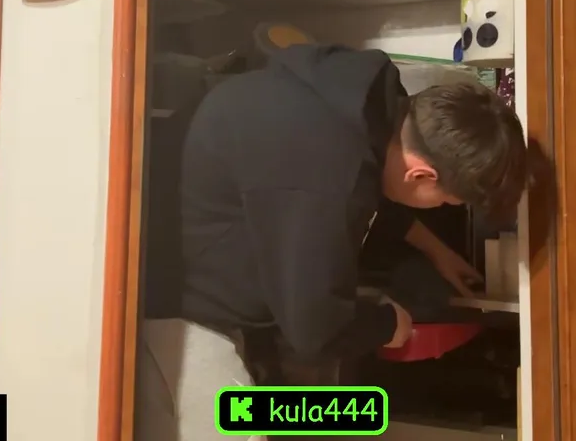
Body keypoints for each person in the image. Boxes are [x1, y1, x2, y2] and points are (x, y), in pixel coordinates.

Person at [135, 44, 528, 441]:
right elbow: (314, 333)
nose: (439, 207)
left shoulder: (361, 104)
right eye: (443, 201)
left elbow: (367, 190)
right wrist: (389, 324)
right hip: (172, 308)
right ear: (421, 175)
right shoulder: (327, 179)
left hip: (188, 249)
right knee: (246, 428)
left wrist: (434, 249)